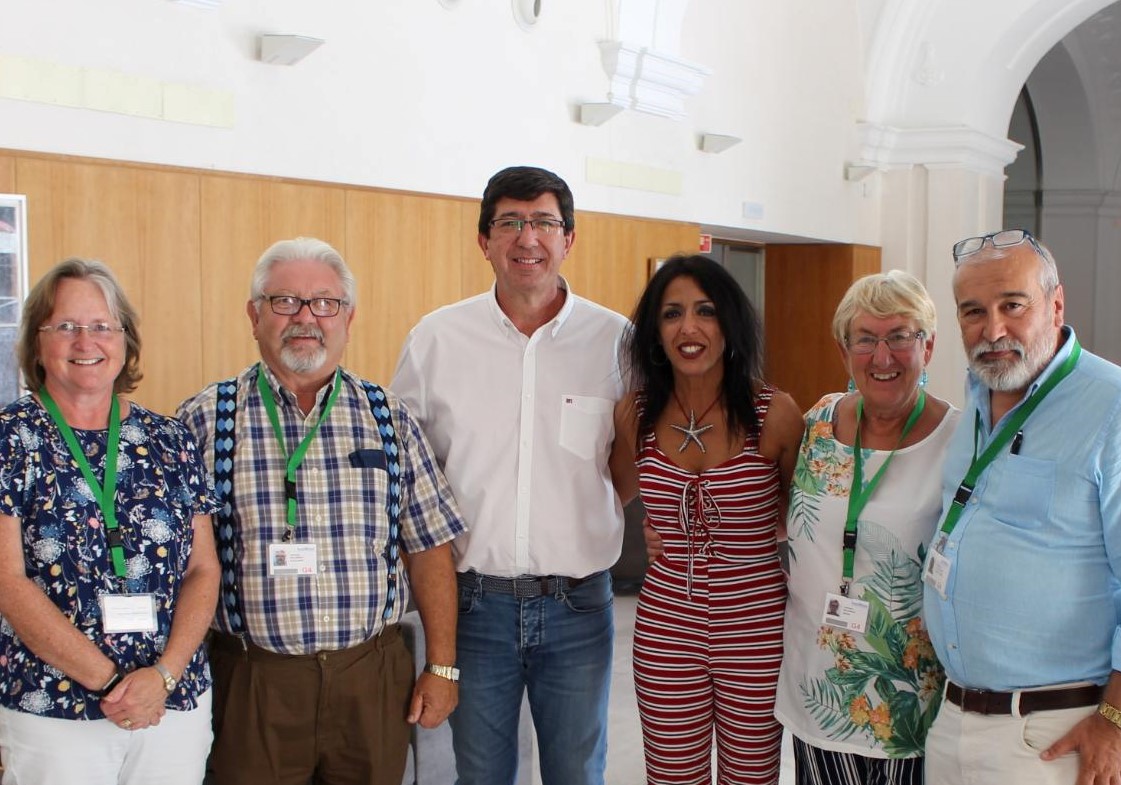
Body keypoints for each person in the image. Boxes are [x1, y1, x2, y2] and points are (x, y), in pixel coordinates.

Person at [177, 237, 466, 785]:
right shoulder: (203, 421)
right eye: (284, 301)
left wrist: (442, 666)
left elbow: (429, 546)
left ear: (348, 317)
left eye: (325, 303)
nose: (306, 318)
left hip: (372, 679)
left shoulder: (391, 419)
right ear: (254, 315)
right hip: (252, 679)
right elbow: (185, 567)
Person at [392, 166, 628, 785]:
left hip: (579, 606)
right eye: (511, 223)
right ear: (485, 240)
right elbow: (409, 472)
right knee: (481, 774)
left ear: (569, 238)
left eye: (545, 222)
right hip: (474, 608)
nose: (529, 238)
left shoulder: (616, 342)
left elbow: (627, 464)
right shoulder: (437, 339)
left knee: (579, 771)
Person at [0, 258, 220, 784]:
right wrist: (114, 682)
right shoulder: (10, 439)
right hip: (54, 707)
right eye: (67, 327)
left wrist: (162, 677)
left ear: (125, 341)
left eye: (102, 326)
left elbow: (202, 570)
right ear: (36, 342)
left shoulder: (170, 439)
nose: (86, 342)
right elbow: (7, 581)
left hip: (172, 703)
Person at [921, 229, 1121, 785]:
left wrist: (1115, 721)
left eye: (1013, 305)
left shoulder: (1112, 408)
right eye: (973, 312)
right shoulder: (975, 403)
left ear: (1056, 305)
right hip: (955, 718)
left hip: (1054, 735)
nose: (993, 330)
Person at [612, 254, 805, 785]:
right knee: (672, 775)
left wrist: (727, 533)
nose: (689, 328)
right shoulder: (633, 413)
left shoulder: (777, 413)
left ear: (730, 325)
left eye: (706, 311)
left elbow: (801, 515)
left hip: (757, 626)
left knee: (751, 775)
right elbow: (605, 496)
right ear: (655, 330)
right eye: (672, 314)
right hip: (665, 627)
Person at [774, 270, 957, 785]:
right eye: (867, 339)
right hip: (819, 692)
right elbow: (772, 504)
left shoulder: (958, 441)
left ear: (929, 345)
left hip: (909, 707)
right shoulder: (819, 422)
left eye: (901, 337)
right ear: (843, 349)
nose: (883, 357)